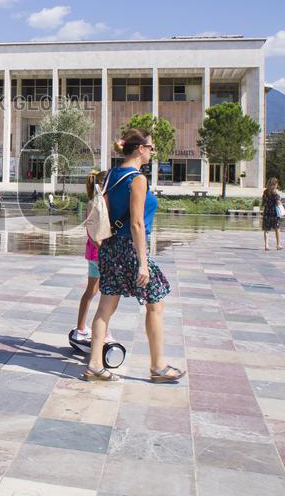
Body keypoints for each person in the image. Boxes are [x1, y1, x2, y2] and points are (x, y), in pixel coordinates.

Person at [82, 129, 183, 383]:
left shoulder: (112, 175)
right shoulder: (137, 179)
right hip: (129, 248)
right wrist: (142, 262)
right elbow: (137, 223)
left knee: (106, 306)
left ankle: (95, 364)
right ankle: (158, 366)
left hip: (109, 248)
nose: (151, 152)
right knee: (156, 303)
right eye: (150, 148)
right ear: (139, 148)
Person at [72, 171, 114, 346]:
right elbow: (94, 231)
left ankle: (81, 328)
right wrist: (104, 250)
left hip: (93, 252)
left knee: (92, 291)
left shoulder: (92, 202)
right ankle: (103, 332)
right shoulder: (100, 202)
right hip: (100, 253)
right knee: (107, 295)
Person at [262, 177, 283, 251]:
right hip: (274, 213)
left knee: (266, 229)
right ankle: (277, 245)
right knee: (277, 229)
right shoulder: (275, 194)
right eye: (276, 184)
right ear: (274, 184)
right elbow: (278, 203)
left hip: (267, 212)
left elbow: (263, 202)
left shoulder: (265, 192)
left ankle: (266, 245)